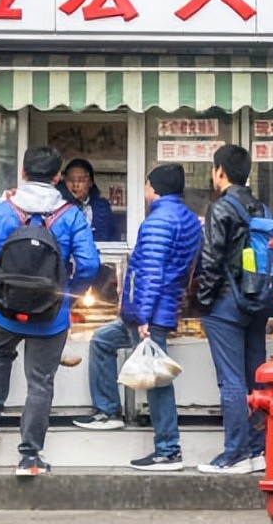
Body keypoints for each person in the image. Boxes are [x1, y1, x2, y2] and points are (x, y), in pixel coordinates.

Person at [0, 146, 101, 476]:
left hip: (5, 310)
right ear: (58, 178)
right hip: (51, 314)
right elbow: (90, 265)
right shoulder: (71, 216)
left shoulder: (1, 211)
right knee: (40, 382)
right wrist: (67, 294)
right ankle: (29, 456)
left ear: (24, 174)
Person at [73, 165, 201, 470]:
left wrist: (142, 316)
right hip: (160, 307)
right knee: (103, 342)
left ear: (155, 189)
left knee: (157, 381)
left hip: (149, 313)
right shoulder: (189, 219)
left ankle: (168, 449)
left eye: (145, 185)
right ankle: (108, 410)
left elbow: (151, 274)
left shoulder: (158, 221)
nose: (143, 190)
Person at [195, 143, 269, 474]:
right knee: (256, 378)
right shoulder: (260, 208)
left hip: (226, 302)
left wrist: (204, 301)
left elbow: (211, 260)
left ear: (220, 172)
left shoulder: (222, 208)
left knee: (232, 381)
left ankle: (235, 452)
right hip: (256, 300)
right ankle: (257, 449)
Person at [61, 158, 118, 242]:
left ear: (91, 182)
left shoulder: (103, 207)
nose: (75, 185)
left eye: (81, 180)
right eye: (71, 180)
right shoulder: (59, 206)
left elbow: (112, 237)